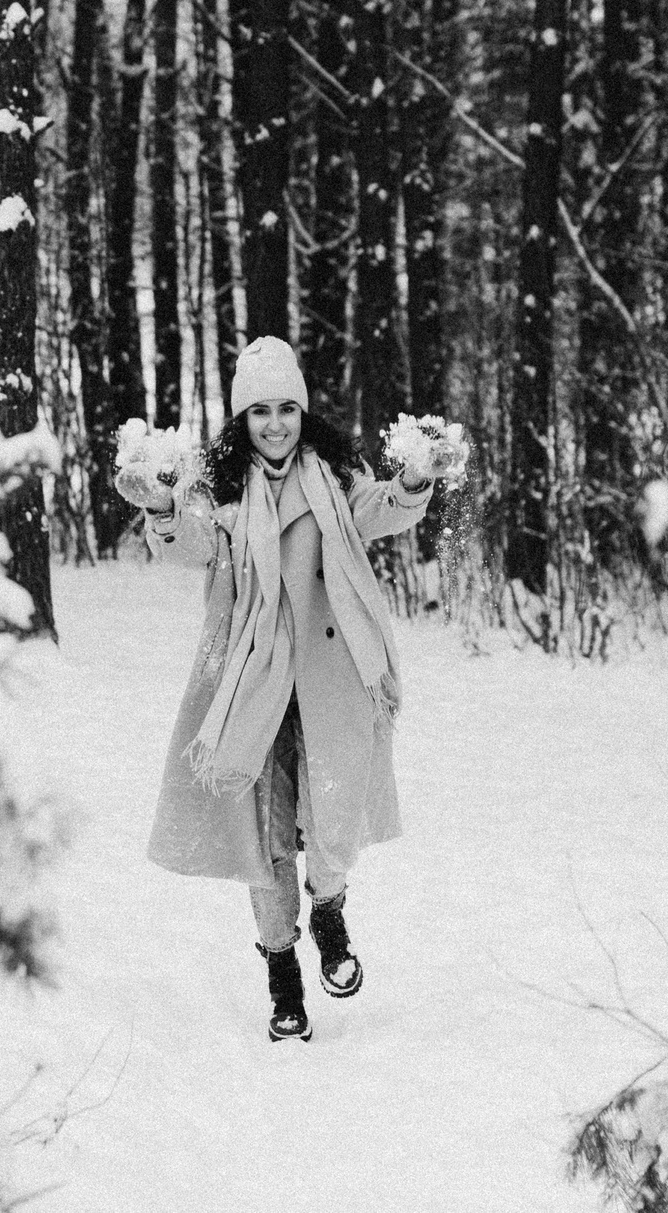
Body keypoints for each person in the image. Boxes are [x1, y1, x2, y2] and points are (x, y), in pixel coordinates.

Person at [115, 337, 462, 1042]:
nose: (275, 424)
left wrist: (415, 479)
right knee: (264, 829)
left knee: (331, 810)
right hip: (254, 678)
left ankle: (329, 910)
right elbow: (196, 543)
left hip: (330, 676)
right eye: (260, 411)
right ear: (242, 419)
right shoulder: (223, 487)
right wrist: (164, 511)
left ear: (303, 411)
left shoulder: (335, 474)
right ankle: (282, 974)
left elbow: (381, 508)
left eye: (286, 409)